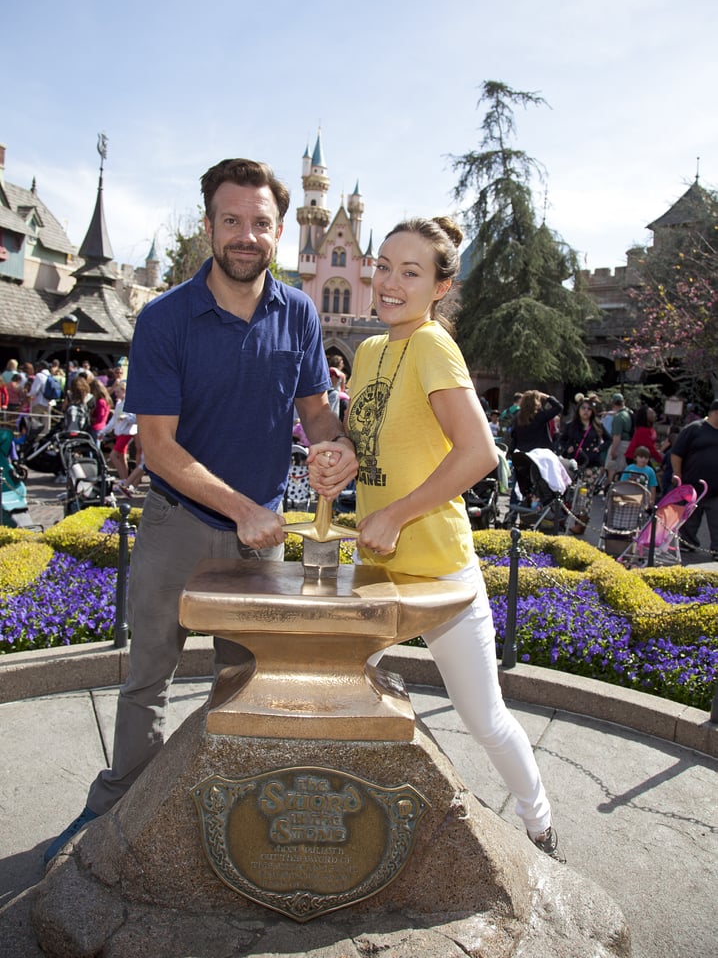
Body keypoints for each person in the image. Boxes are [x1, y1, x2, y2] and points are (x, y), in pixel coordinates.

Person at [43, 156, 356, 866]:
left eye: (261, 223)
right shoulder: (164, 318)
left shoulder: (299, 311)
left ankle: (224, 812)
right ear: (208, 225)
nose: (247, 235)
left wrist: (339, 448)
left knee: (244, 678)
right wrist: (242, 506)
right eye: (232, 221)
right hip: (180, 528)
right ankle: (119, 812)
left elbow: (315, 411)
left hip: (262, 537)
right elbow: (157, 445)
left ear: (280, 230)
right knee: (147, 675)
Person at [309, 215, 563, 862]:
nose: (390, 283)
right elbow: (365, 447)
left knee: (483, 719)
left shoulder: (431, 344)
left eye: (411, 272)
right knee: (337, 687)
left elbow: (478, 453)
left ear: (440, 287)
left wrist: (396, 514)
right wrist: (341, 458)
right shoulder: (367, 351)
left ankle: (539, 825)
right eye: (385, 267)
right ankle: (351, 822)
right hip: (377, 569)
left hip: (441, 572)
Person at [670, 400, 718, 559]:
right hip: (693, 486)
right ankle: (686, 543)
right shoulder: (694, 429)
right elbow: (677, 453)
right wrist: (677, 474)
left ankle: (716, 549)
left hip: (716, 488)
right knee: (689, 518)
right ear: (715, 412)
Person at [605, 393, 633, 485]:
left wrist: (613, 450)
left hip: (620, 444)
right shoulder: (629, 413)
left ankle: (611, 487)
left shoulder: (618, 417)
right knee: (624, 468)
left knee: (612, 466)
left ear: (613, 404)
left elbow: (617, 436)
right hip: (629, 443)